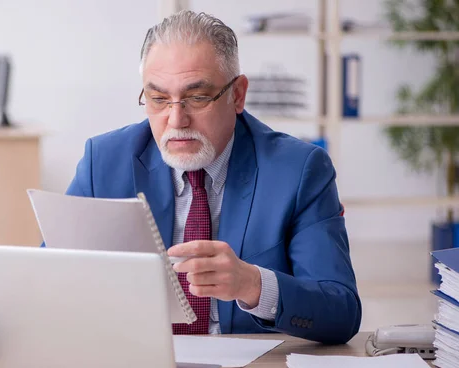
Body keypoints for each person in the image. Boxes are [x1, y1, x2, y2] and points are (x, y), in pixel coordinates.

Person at [63, 10, 361, 344]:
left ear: (237, 95)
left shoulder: (299, 170)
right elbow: (49, 280)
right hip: (135, 365)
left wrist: (252, 285)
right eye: (158, 99)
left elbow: (341, 312)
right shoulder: (103, 162)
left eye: (197, 97)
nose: (176, 120)